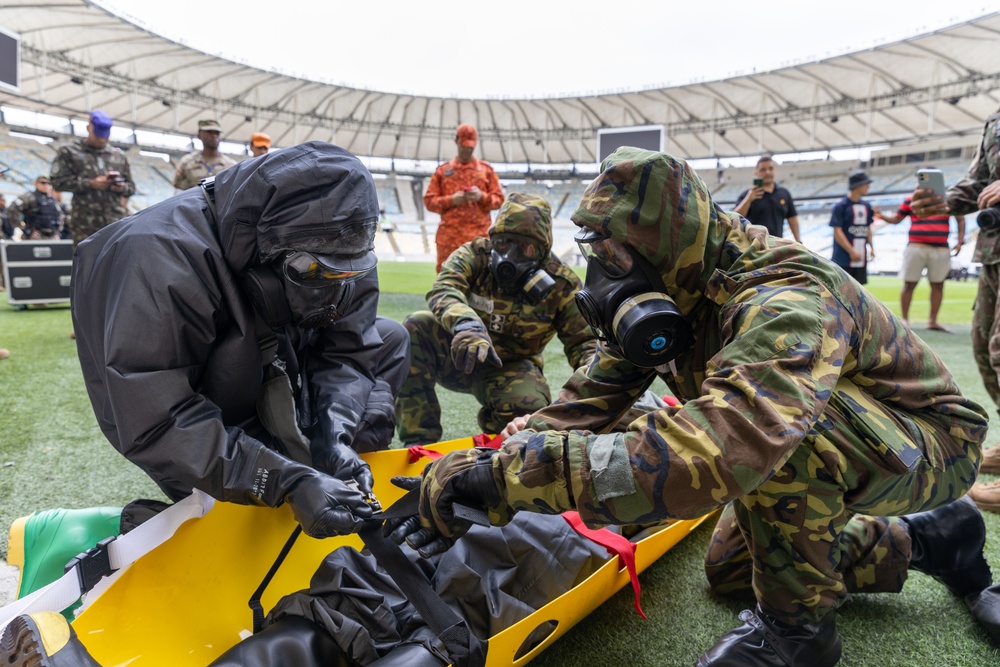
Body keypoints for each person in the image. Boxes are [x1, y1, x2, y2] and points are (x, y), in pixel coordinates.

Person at [387, 147, 998, 666]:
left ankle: (798, 636)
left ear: (665, 240)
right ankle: (932, 540)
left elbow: (723, 450)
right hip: (845, 436)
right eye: (597, 254)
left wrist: (515, 480)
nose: (604, 275)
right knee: (733, 567)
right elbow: (589, 396)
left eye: (618, 256)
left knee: (769, 450)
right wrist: (500, 462)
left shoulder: (784, 300)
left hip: (929, 443)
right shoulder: (672, 286)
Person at [1, 145, 411, 663]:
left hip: (274, 367)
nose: (336, 290)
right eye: (315, 273)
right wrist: (284, 478)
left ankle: (312, 475)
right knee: (236, 512)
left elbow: (351, 348)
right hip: (197, 406)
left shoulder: (337, 244)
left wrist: (335, 434)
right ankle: (86, 535)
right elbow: (157, 417)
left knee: (392, 337)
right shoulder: (153, 255)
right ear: (264, 243)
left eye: (347, 275)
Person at [395, 192, 598, 445]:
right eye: (503, 242)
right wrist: (467, 325)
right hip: (460, 353)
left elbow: (585, 344)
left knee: (528, 411)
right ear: (493, 240)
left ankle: (495, 434)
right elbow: (443, 289)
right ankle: (418, 441)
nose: (510, 255)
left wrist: (594, 387)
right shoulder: (475, 255)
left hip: (511, 367)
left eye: (526, 247)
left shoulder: (561, 284)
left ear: (542, 254)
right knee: (416, 325)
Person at [909, 104, 1000, 511]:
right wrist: (942, 201)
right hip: (995, 250)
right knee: (984, 350)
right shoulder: (996, 117)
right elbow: (980, 180)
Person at [879, 186, 965, 332]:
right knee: (909, 283)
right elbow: (896, 219)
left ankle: (932, 321)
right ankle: (905, 319)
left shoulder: (947, 200)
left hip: (941, 247)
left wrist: (960, 241)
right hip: (916, 246)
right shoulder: (910, 200)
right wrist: (881, 216)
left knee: (938, 285)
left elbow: (960, 219)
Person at [423, 124, 504, 272]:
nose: (467, 150)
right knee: (447, 284)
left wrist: (482, 197)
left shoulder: (486, 171)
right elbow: (429, 201)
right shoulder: (443, 171)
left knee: (480, 284)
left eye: (470, 147)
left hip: (478, 240)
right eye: (464, 146)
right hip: (449, 240)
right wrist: (452, 200)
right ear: (456, 142)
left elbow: (499, 200)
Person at [49, 110, 134, 245]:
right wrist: (90, 184)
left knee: (116, 263)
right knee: (86, 263)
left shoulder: (119, 156)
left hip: (115, 221)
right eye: (98, 135)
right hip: (84, 224)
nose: (101, 139)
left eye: (105, 136)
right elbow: (57, 182)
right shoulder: (70, 152)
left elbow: (131, 187)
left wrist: (120, 187)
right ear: (88, 128)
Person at [733, 156, 801, 242]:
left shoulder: (784, 193)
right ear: (756, 173)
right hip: (754, 246)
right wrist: (749, 199)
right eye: (763, 170)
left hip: (777, 245)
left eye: (770, 168)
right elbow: (735, 218)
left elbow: (792, 218)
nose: (767, 172)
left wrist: (798, 241)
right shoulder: (747, 195)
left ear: (775, 170)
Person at [829, 170, 879, 284]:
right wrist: (851, 251)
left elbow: (867, 228)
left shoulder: (866, 206)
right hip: (843, 258)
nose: (868, 186)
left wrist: (871, 247)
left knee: (859, 292)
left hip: (861, 257)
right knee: (843, 289)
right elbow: (837, 232)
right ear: (858, 185)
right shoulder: (841, 206)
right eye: (866, 184)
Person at [173, 119, 237, 191]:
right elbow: (180, 192)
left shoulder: (232, 166)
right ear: (199, 135)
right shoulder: (187, 163)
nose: (214, 136)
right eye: (209, 132)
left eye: (217, 133)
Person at [6, 176, 64, 240]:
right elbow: (12, 209)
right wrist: (26, 229)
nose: (46, 185)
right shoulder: (29, 197)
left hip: (52, 237)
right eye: (43, 183)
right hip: (35, 237)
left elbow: (60, 216)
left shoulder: (53, 200)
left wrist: (57, 232)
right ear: (36, 184)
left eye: (49, 183)